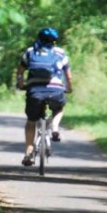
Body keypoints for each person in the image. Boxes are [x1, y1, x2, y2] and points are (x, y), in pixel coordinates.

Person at [15, 27, 73, 166]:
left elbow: (20, 71)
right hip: (56, 90)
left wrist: (21, 84)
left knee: (31, 121)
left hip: (34, 91)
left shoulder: (30, 52)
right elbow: (68, 76)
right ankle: (55, 127)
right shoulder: (60, 53)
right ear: (54, 41)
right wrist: (69, 88)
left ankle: (29, 151)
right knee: (59, 108)